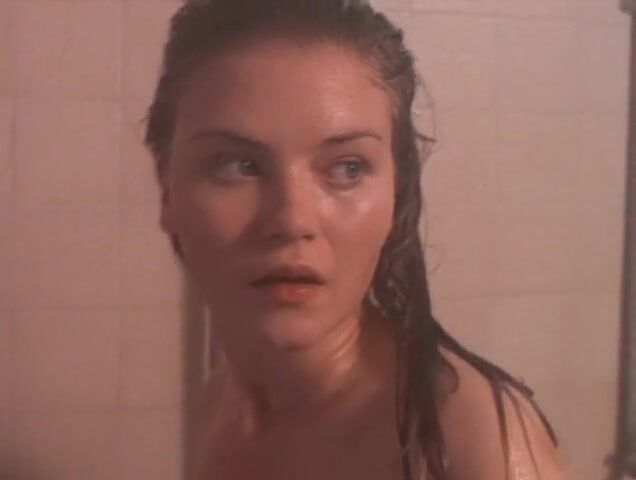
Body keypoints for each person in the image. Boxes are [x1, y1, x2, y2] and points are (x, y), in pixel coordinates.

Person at [144, 1, 569, 478]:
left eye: (348, 168)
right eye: (238, 166)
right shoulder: (218, 408)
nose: (292, 220)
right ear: (166, 189)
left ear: (396, 193)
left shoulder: (474, 439)